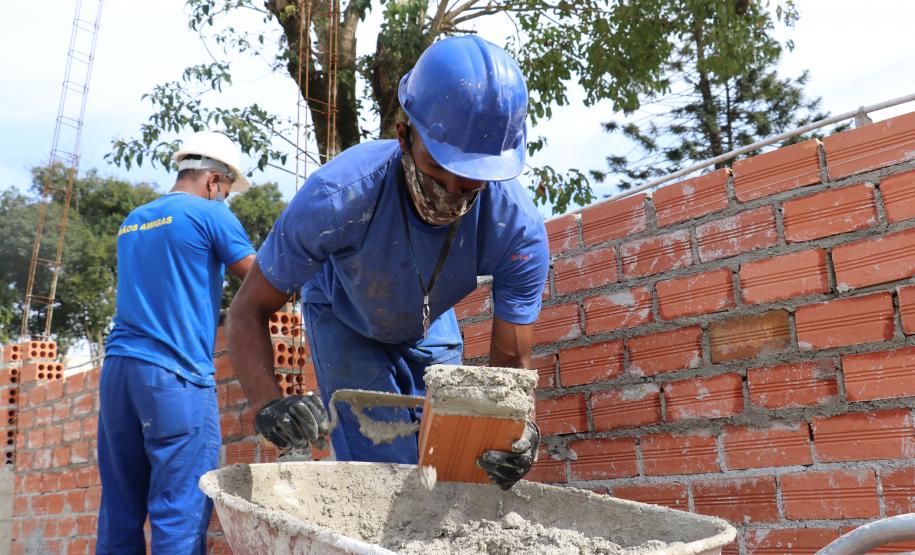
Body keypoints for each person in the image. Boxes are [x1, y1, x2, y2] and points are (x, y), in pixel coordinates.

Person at [228, 36, 549, 490]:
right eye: (437, 174)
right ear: (403, 135)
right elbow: (248, 310)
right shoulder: (336, 198)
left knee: (456, 467)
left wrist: (516, 429)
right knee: (385, 475)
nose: (450, 198)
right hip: (345, 317)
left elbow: (510, 367)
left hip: (429, 321)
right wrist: (268, 404)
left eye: (470, 186)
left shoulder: (516, 230)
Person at [96, 131, 256, 554]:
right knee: (179, 511)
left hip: (118, 374)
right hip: (175, 374)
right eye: (225, 192)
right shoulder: (210, 214)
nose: (224, 199)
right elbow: (260, 278)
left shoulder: (134, 219)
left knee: (119, 509)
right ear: (214, 181)